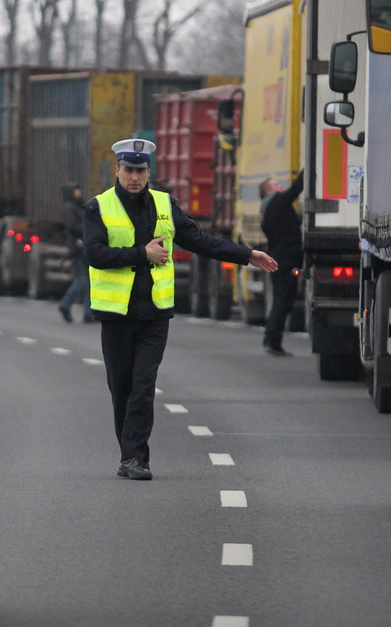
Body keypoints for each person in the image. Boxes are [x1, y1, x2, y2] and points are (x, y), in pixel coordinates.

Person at [85, 138, 278, 480]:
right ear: (117, 171)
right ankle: (128, 453)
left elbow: (200, 241)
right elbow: (95, 255)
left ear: (148, 173)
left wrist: (246, 255)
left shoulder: (164, 205)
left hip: (154, 314)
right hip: (116, 315)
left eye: (140, 171)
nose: (134, 177)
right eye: (128, 170)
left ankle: (135, 459)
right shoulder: (97, 208)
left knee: (143, 386)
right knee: (122, 388)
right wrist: (140, 254)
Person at [259, 171, 304, 357]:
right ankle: (272, 342)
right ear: (270, 190)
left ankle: (270, 340)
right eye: (277, 185)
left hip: (279, 259)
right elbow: (295, 189)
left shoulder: (267, 209)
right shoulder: (277, 202)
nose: (281, 187)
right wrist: (307, 169)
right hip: (286, 260)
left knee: (280, 301)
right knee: (282, 302)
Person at [58, 182, 93, 323]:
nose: (79, 192)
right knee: (82, 280)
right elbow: (71, 226)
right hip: (78, 248)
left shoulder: (79, 205)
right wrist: (89, 227)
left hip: (85, 247)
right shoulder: (69, 207)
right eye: (76, 190)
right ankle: (65, 305)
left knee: (89, 281)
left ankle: (88, 312)